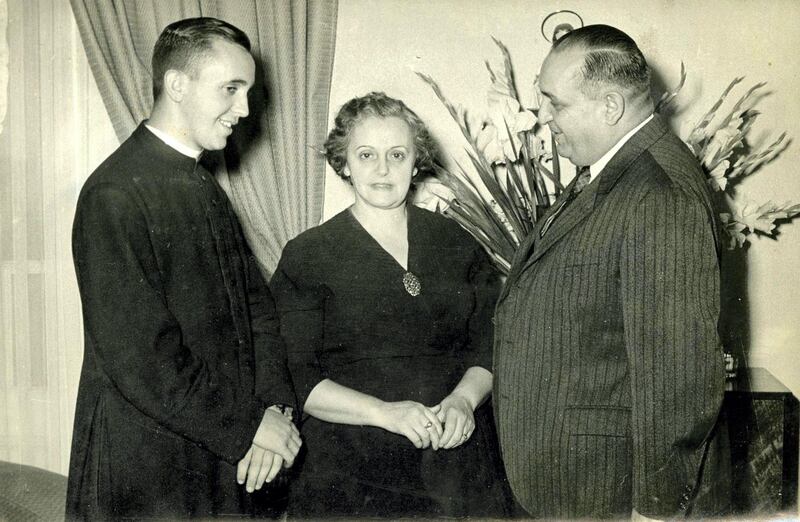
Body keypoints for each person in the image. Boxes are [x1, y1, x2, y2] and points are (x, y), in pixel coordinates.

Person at [66, 17, 301, 519]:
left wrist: (274, 409)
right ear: (176, 85)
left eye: (247, 91)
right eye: (230, 90)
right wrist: (250, 428)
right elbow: (144, 359)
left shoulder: (203, 186)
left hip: (220, 451)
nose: (243, 109)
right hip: (149, 469)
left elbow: (258, 313)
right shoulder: (115, 194)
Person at [493, 25, 726, 520]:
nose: (543, 118)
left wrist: (655, 511)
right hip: (569, 482)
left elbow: (678, 377)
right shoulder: (613, 171)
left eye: (556, 104)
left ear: (611, 108)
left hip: (604, 493)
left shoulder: (660, 192)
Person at [270, 92, 513, 518]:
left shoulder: (455, 242)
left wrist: (463, 401)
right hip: (351, 469)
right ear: (343, 163)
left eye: (397, 154)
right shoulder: (308, 255)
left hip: (456, 460)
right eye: (366, 155)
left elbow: (491, 342)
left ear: (416, 162)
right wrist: (384, 414)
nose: (382, 169)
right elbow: (295, 376)